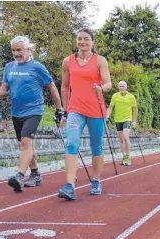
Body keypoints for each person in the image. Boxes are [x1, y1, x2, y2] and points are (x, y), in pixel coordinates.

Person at [0, 36, 63, 193]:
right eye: (14, 50)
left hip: (34, 110)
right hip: (17, 112)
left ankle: (19, 176)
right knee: (28, 145)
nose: (16, 53)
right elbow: (4, 88)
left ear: (28, 49)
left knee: (25, 142)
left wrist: (59, 109)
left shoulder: (37, 67)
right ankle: (35, 174)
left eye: (19, 50)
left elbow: (52, 88)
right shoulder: (9, 67)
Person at [57, 28, 112, 201]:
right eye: (79, 39)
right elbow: (65, 87)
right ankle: (69, 185)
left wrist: (101, 88)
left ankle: (95, 180)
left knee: (97, 147)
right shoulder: (68, 61)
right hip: (75, 110)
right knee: (72, 143)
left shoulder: (100, 61)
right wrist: (65, 110)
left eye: (86, 39)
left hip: (96, 109)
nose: (82, 42)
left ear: (92, 42)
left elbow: (108, 83)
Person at [106, 81, 138, 166]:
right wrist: (107, 115)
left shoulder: (131, 97)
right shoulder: (115, 96)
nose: (121, 88)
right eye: (120, 86)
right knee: (121, 139)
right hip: (118, 120)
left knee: (125, 136)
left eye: (123, 86)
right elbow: (111, 107)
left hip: (127, 119)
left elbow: (135, 109)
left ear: (126, 87)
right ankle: (124, 157)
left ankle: (128, 156)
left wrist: (134, 121)